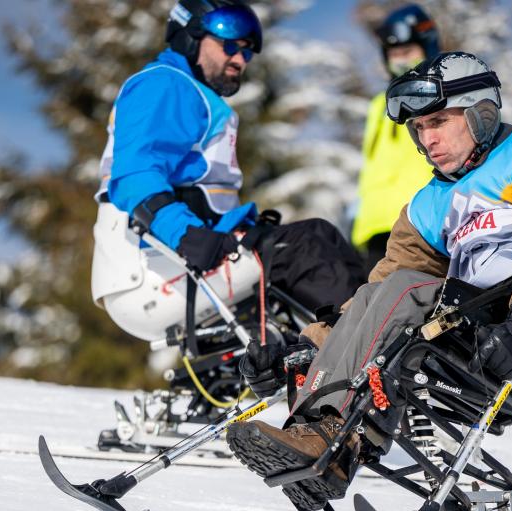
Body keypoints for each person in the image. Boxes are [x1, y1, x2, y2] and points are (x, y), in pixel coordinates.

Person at [228, 51, 512, 511]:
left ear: (481, 112)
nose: (429, 140)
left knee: (408, 290)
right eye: (419, 129)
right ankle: (330, 447)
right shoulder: (429, 203)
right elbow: (374, 301)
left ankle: (327, 436)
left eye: (439, 121)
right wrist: (302, 350)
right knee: (389, 291)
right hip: (470, 341)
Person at [92, 0, 366, 341]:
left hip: (168, 263)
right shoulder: (165, 85)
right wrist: (186, 234)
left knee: (316, 240)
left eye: (247, 52)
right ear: (190, 36)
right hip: (154, 268)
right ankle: (372, 349)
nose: (240, 59)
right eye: (230, 45)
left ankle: (332, 358)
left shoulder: (192, 94)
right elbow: (134, 175)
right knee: (306, 246)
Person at [351, 4, 442, 270]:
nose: (401, 59)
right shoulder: (379, 105)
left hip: (416, 224)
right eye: (394, 53)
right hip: (372, 231)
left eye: (408, 51)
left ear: (427, 47)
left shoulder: (439, 93)